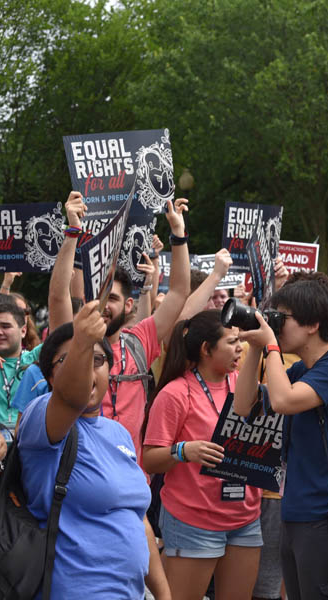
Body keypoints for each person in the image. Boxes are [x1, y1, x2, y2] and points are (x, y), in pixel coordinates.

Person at [18, 302, 170, 599]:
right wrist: (83, 343)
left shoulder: (119, 434)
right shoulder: (41, 419)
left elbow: (137, 517)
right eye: (70, 359)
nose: (88, 367)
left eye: (97, 359)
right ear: (50, 376)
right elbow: (70, 396)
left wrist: (164, 594)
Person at [233, 271, 328, 600]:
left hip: (326, 517)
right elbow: (243, 406)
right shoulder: (299, 371)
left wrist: (272, 345)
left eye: (283, 318)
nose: (276, 325)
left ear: (313, 324)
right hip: (296, 512)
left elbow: (283, 401)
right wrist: (254, 349)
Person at [48, 191, 191, 459]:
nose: (103, 306)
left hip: (131, 485)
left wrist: (178, 233)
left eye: (111, 298)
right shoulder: (72, 342)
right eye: (97, 297)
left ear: (128, 306)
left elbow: (179, 292)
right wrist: (72, 232)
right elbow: (57, 298)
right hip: (80, 481)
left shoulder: (140, 341)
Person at [142, 309, 261, 600]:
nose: (239, 348)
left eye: (240, 341)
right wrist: (183, 451)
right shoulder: (176, 393)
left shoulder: (241, 383)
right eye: (231, 342)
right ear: (207, 349)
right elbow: (149, 459)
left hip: (245, 518)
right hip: (193, 521)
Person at [0, 299, 41, 438]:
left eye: (5, 326)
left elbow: (66, 331)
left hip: (26, 448)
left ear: (23, 331)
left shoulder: (35, 359)